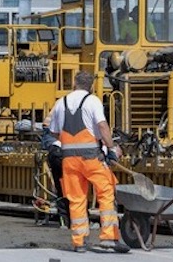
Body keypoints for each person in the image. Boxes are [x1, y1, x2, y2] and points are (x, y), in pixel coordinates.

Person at [48, 71, 131, 253]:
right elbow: (102, 126)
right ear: (91, 86)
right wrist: (110, 149)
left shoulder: (60, 103)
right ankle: (109, 237)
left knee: (76, 199)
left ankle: (79, 242)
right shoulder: (92, 101)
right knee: (106, 191)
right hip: (91, 158)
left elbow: (53, 132)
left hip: (69, 160)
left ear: (74, 84)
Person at [40, 114, 69, 227]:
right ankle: (69, 219)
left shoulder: (59, 108)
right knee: (72, 190)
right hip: (66, 155)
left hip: (56, 153)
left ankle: (63, 219)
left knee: (61, 188)